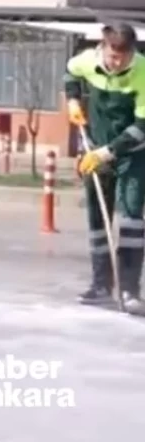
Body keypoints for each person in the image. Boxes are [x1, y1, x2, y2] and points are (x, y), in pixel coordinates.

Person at [65, 22, 145, 314]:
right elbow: (70, 71)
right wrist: (73, 100)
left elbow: (141, 127)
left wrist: (106, 153)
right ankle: (100, 285)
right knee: (98, 220)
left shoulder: (143, 73)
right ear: (104, 48)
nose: (117, 62)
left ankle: (129, 290)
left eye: (124, 56)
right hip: (94, 148)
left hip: (133, 156)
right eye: (113, 55)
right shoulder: (88, 60)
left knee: (132, 220)